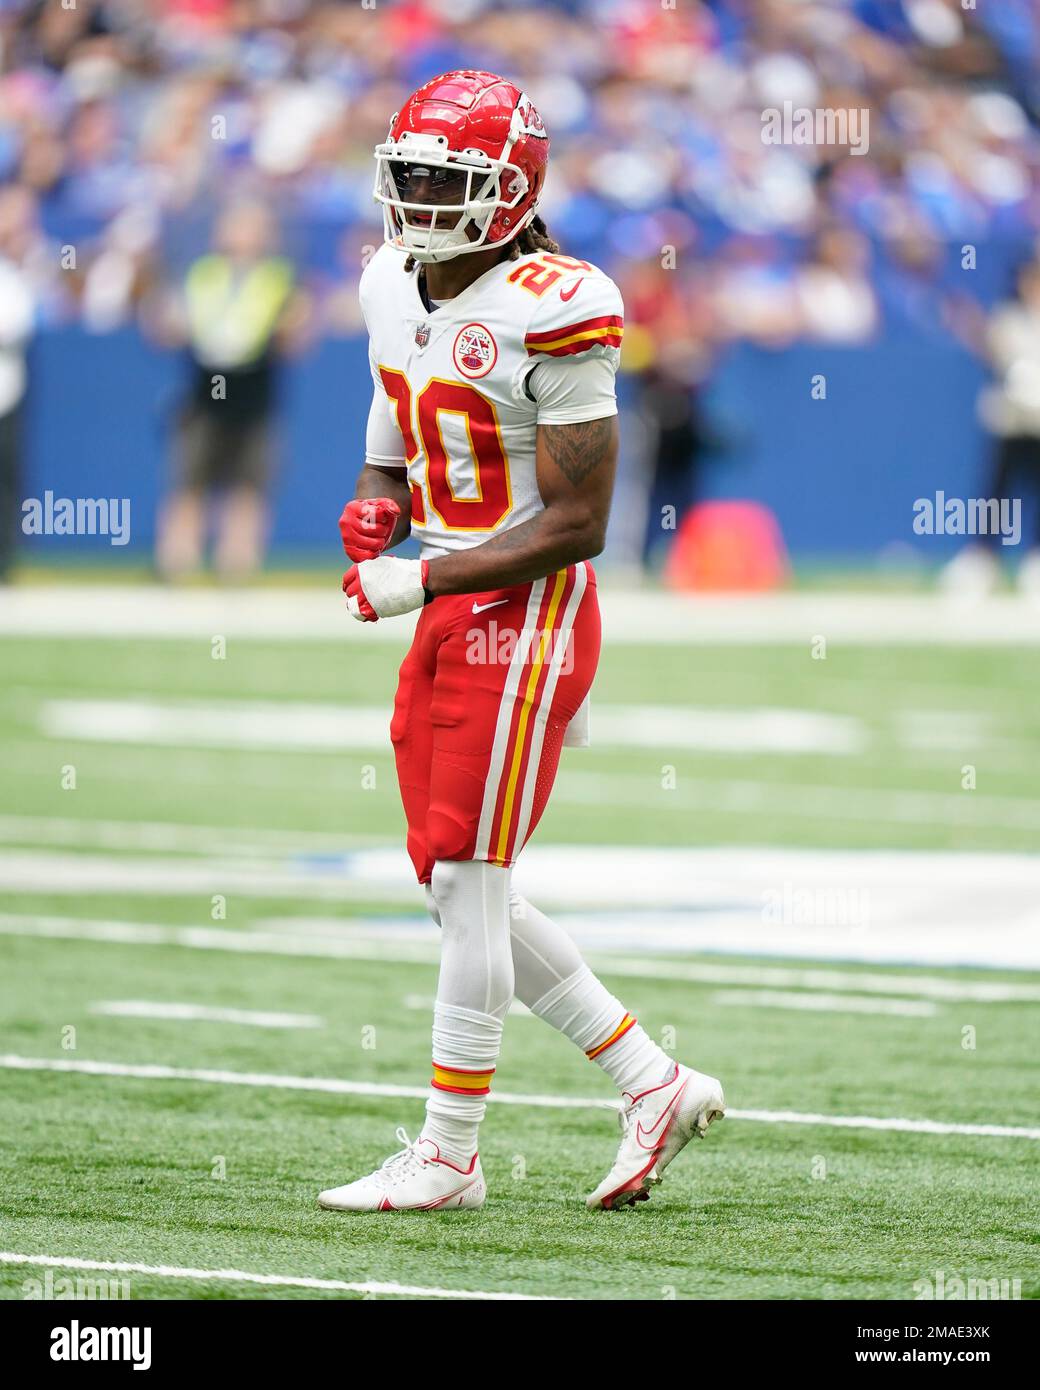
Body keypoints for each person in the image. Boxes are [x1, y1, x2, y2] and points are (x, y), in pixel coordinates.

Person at [318, 70, 724, 1215]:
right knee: (457, 889)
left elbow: (577, 522)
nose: (421, 197)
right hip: (450, 597)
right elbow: (395, 404)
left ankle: (449, 1151)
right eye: (409, 173)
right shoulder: (388, 278)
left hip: (527, 613)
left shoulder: (558, 301)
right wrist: (376, 493)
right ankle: (651, 1079)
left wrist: (420, 576)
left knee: (470, 877)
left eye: (447, 178)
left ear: (509, 191)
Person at [153, 200, 304, 581]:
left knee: (249, 485)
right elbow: (171, 328)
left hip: (255, 396)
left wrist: (295, 321)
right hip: (203, 395)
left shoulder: (278, 277)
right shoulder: (204, 274)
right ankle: (177, 565)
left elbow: (296, 336)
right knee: (189, 482)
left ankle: (237, 566)